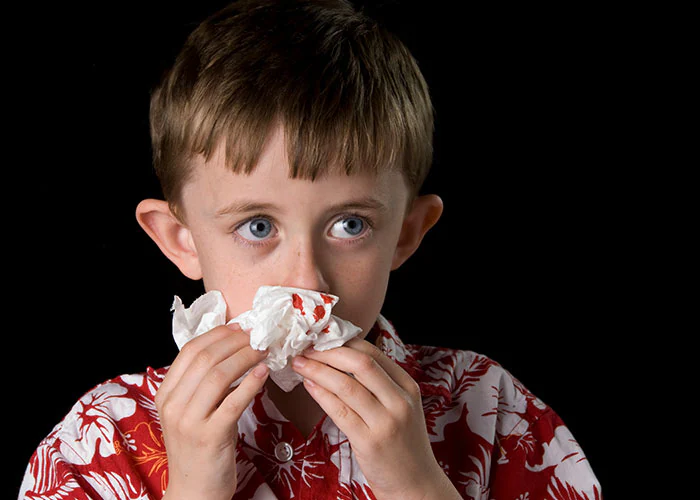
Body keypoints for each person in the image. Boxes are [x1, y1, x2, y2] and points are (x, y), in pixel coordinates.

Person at [19, 1, 601, 499]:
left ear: (406, 232)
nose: (307, 284)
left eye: (349, 225)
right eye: (256, 226)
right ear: (182, 241)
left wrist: (417, 485)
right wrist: (194, 488)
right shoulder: (103, 435)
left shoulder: (490, 409)